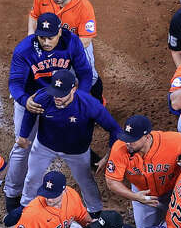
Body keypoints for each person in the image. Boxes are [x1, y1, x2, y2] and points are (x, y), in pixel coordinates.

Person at [4, 11, 93, 213]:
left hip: (60, 98)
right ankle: (12, 193)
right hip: (31, 101)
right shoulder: (25, 49)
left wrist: (79, 97)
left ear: (60, 32)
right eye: (41, 37)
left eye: (50, 37)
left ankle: (90, 203)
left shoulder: (72, 43)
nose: (45, 41)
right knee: (22, 145)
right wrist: (25, 101)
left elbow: (85, 73)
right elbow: (15, 83)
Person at [16, 69, 120, 214]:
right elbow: (30, 113)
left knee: (85, 181)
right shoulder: (43, 96)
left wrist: (109, 155)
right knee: (32, 177)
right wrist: (23, 135)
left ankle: (95, 210)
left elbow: (114, 129)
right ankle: (25, 206)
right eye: (55, 92)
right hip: (44, 146)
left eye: (61, 95)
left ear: (73, 89)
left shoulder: (89, 104)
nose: (56, 98)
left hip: (76, 151)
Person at [105, 114, 181, 228]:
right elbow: (112, 181)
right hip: (142, 195)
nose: (127, 143)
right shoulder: (120, 148)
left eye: (133, 140)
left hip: (173, 193)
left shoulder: (172, 141)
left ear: (147, 137)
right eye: (126, 138)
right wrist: (135, 196)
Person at [27, 0, 103, 99]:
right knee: (43, 72)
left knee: (90, 76)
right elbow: (34, 16)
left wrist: (62, 54)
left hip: (76, 46)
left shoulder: (84, 7)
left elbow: (86, 40)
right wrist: (31, 37)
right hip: (49, 42)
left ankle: (99, 102)